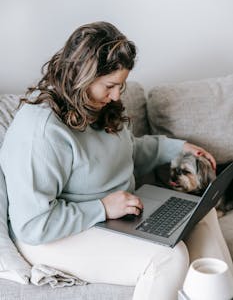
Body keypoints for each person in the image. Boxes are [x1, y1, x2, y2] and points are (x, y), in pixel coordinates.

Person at [0, 21, 232, 300]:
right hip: (50, 237)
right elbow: (33, 224)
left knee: (201, 215)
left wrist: (176, 148)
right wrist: (102, 208)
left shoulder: (97, 106)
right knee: (169, 257)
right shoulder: (42, 130)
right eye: (110, 86)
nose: (116, 96)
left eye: (120, 86)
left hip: (112, 219)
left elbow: (123, 152)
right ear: (80, 76)